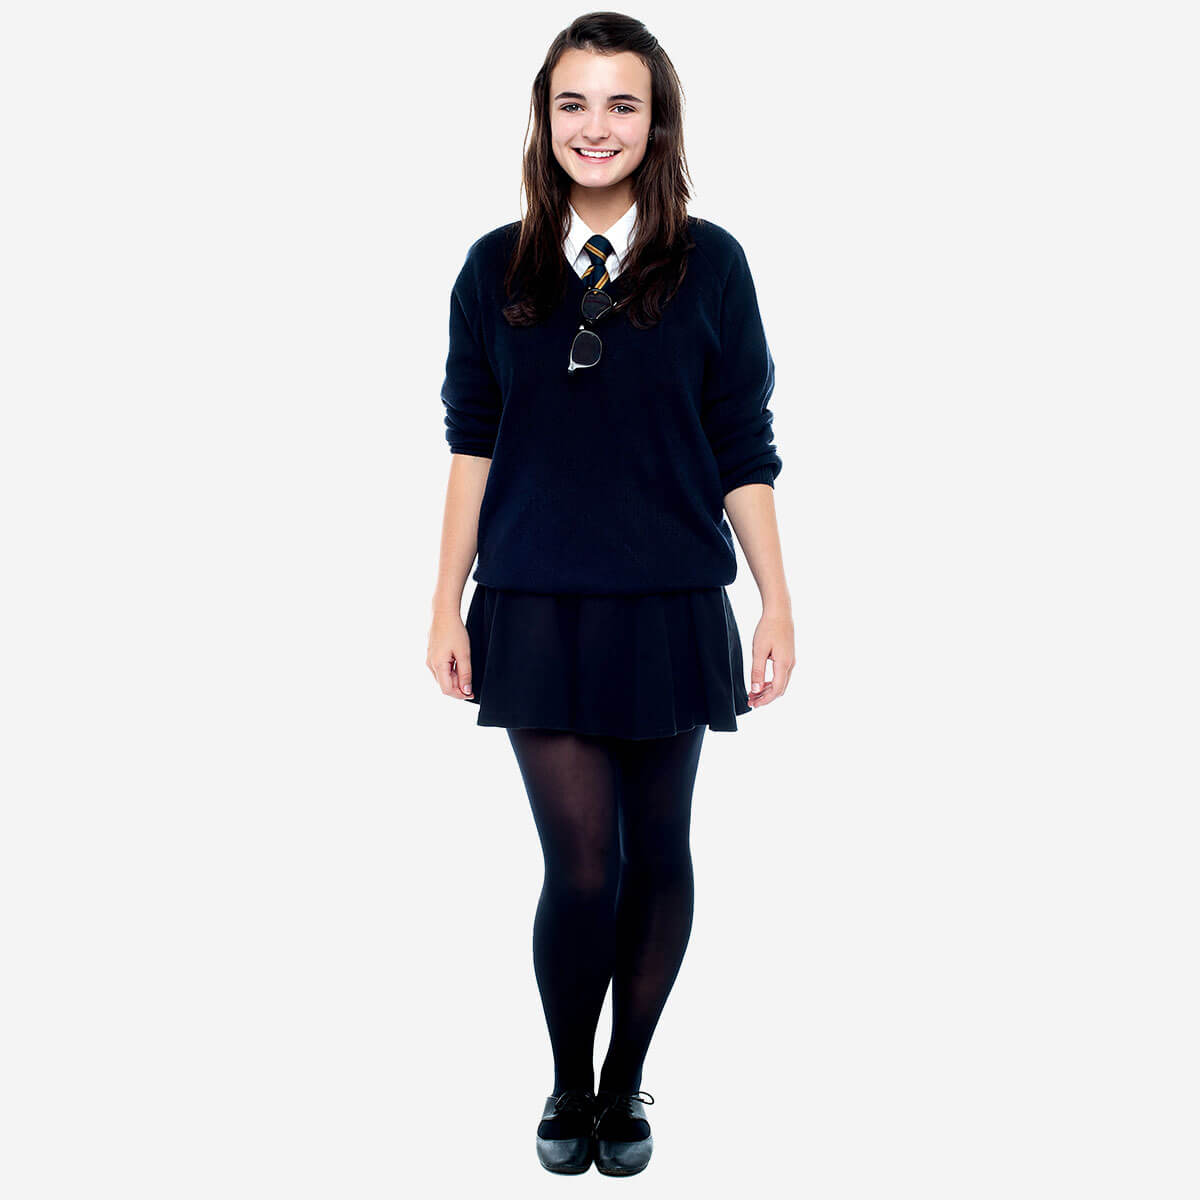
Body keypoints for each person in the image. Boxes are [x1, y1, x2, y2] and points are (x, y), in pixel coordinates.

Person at [426, 13, 794, 1177]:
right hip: (535, 602)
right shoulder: (496, 268)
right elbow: (473, 442)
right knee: (581, 864)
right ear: (544, 120)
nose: (596, 127)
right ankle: (570, 1081)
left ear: (657, 120)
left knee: (658, 851)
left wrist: (777, 602)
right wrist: (443, 603)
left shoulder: (711, 264)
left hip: (670, 598)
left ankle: (628, 1079)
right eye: (573, 103)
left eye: (622, 103)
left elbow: (742, 442)